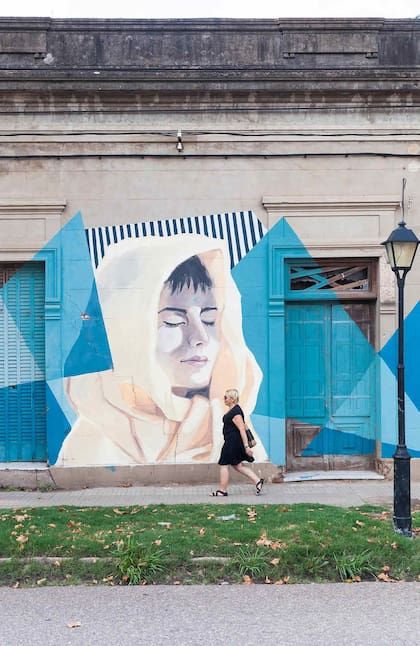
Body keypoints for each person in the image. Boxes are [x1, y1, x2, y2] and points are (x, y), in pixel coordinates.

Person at [56, 234, 268, 466]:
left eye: (209, 319)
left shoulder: (220, 421)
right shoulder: (95, 443)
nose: (200, 338)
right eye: (173, 321)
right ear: (128, 335)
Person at [211, 388, 264, 496]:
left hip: (232, 442)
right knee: (237, 465)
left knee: (224, 464)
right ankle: (258, 481)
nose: (224, 399)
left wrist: (246, 447)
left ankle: (222, 490)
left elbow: (242, 429)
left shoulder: (236, 412)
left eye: (226, 397)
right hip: (231, 441)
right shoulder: (233, 410)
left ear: (232, 399)